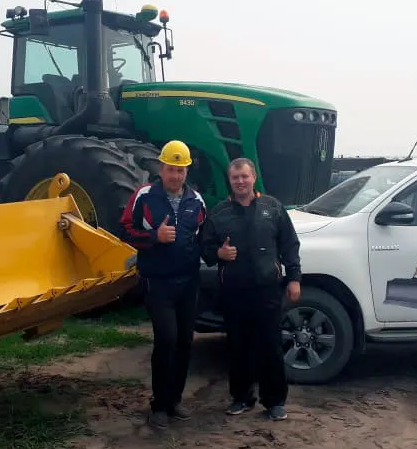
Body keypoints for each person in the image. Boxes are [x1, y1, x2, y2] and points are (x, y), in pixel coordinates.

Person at [200, 158, 301, 421]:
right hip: (234, 291)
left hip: (267, 289)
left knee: (271, 346)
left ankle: (274, 401)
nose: (240, 182)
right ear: (230, 181)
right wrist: (219, 253)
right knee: (238, 346)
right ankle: (242, 398)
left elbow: (290, 244)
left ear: (253, 177)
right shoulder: (219, 213)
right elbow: (204, 248)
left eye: (244, 176)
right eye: (235, 178)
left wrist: (294, 278)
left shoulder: (272, 208)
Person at [119, 139, 207, 429]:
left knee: (185, 342)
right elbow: (124, 231)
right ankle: (159, 405)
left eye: (181, 170)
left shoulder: (197, 200)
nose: (175, 175)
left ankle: (174, 401)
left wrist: (217, 253)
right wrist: (154, 237)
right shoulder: (144, 196)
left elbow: (203, 238)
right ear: (161, 168)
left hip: (188, 283)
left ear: (187, 171)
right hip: (158, 283)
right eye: (171, 169)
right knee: (167, 340)